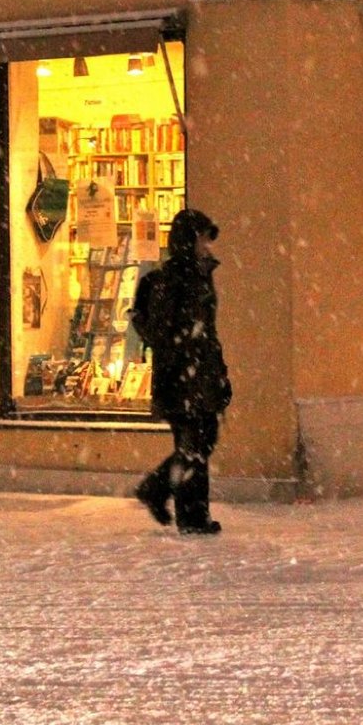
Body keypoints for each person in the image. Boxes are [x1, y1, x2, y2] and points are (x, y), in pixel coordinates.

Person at [134, 208, 232, 534]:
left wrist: (217, 375)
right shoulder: (174, 280)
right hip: (183, 378)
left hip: (198, 375)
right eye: (203, 239)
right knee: (194, 445)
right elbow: (165, 335)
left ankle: (185, 509)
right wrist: (184, 372)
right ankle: (176, 504)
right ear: (190, 241)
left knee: (198, 444)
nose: (208, 246)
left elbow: (206, 334)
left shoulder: (198, 275)